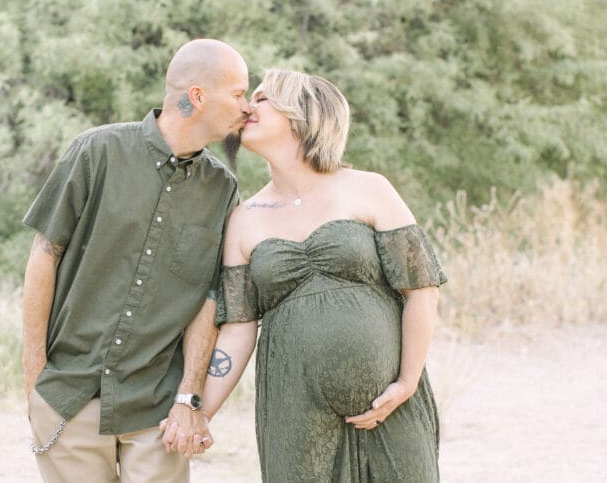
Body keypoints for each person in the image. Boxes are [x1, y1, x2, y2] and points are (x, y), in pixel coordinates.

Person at [184, 68, 447, 481]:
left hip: (391, 408)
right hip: (295, 414)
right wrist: (201, 412)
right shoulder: (244, 218)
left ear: (302, 113)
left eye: (263, 98)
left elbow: (422, 290)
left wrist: (406, 383)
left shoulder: (369, 188)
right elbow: (237, 330)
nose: (248, 107)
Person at [21, 39, 252, 482]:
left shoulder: (222, 190)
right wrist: (36, 385)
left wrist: (188, 396)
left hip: (157, 411)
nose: (247, 107)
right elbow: (43, 258)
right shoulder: (95, 152)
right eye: (239, 93)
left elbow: (207, 300)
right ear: (198, 96)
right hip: (69, 397)